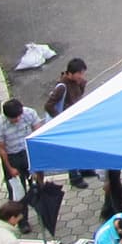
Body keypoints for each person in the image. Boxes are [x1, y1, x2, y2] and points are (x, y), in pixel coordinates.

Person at [0, 98, 46, 232]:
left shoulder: (29, 114)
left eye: (19, 116)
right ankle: (22, 221)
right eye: (14, 118)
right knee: (17, 193)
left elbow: (37, 133)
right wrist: (10, 168)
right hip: (13, 156)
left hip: (28, 152)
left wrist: (37, 159)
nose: (18, 119)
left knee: (39, 185)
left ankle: (43, 212)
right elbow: (1, 150)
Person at [42, 58, 91, 188]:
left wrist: (81, 83)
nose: (82, 76)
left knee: (80, 145)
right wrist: (60, 119)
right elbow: (49, 106)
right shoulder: (62, 87)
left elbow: (78, 96)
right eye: (79, 73)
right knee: (70, 149)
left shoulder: (77, 82)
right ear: (70, 73)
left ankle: (83, 168)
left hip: (74, 120)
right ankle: (74, 176)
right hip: (66, 123)